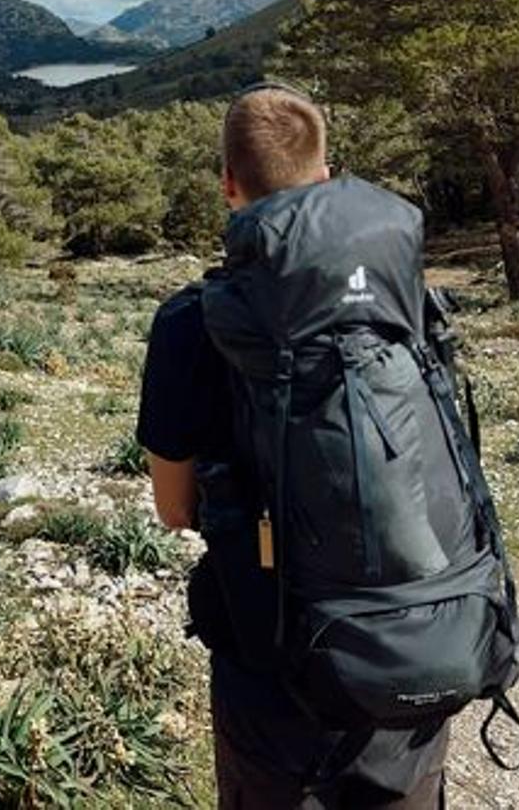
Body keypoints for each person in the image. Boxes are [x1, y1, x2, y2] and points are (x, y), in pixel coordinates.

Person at [136, 83, 450, 808]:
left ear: (226, 184)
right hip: (418, 636)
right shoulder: (404, 297)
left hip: (274, 666)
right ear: (329, 175)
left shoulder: (191, 323)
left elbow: (174, 509)